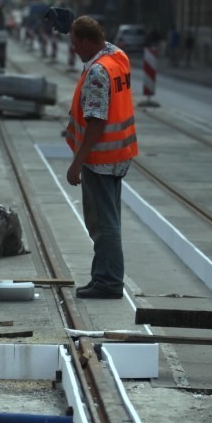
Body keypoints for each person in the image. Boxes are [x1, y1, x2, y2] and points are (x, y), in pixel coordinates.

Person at [65, 15, 138, 300]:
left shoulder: (97, 72)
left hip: (101, 157)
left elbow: (96, 121)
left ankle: (108, 282)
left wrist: (77, 161)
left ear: (85, 42)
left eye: (74, 43)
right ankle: (103, 276)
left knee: (103, 223)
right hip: (119, 154)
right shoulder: (117, 57)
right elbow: (100, 40)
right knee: (109, 220)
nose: (73, 49)